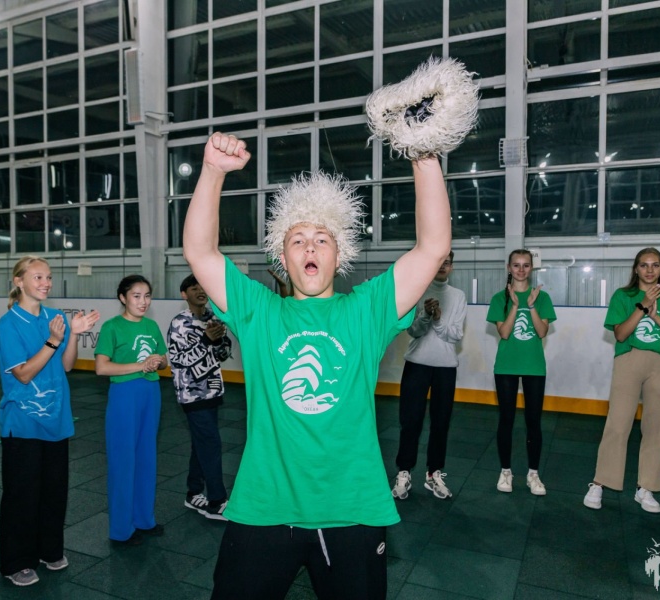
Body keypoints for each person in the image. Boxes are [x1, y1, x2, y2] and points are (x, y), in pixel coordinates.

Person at [182, 131, 451, 600]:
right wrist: (212, 172)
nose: (310, 247)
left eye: (322, 239)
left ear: (338, 255)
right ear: (282, 258)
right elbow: (201, 253)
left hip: (353, 510)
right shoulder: (259, 310)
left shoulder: (367, 310)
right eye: (298, 240)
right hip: (264, 507)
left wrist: (424, 151)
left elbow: (431, 248)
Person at [0, 256, 99, 586]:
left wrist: (73, 335)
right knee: (21, 494)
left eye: (49, 277)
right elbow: (23, 374)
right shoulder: (8, 324)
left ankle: (49, 549)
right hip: (22, 422)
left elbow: (67, 365)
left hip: (57, 418)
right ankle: (17, 562)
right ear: (19, 282)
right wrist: (54, 340)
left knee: (54, 491)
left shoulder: (56, 317)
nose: (46, 283)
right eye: (38, 277)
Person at [583, 248, 660, 513]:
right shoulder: (623, 296)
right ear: (636, 269)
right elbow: (620, 334)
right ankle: (600, 482)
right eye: (644, 265)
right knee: (618, 423)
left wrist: (656, 318)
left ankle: (646, 487)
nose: (650, 270)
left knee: (656, 428)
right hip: (629, 359)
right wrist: (643, 305)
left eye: (655, 265)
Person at [95, 275, 168, 544]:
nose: (143, 301)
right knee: (123, 460)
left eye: (147, 295)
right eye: (136, 296)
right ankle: (121, 529)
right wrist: (141, 365)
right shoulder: (111, 327)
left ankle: (144, 520)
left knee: (147, 457)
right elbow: (101, 367)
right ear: (123, 298)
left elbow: (164, 361)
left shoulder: (151, 325)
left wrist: (158, 362)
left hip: (151, 393)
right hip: (124, 395)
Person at [392, 251, 466, 501]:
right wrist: (425, 314)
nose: (443, 266)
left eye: (447, 263)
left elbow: (455, 335)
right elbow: (413, 331)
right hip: (417, 365)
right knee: (410, 421)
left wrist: (438, 319)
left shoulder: (458, 296)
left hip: (446, 367)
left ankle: (434, 474)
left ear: (451, 267)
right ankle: (404, 472)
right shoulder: (418, 291)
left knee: (441, 423)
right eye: (440, 262)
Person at [486, 249, 556, 495]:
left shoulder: (542, 297)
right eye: (516, 265)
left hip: (534, 367)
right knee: (506, 420)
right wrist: (515, 306)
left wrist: (531, 306)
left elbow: (542, 332)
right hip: (506, 366)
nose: (521, 270)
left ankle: (533, 474)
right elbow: (504, 333)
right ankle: (506, 471)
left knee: (533, 421)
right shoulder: (499, 298)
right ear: (509, 268)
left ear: (531, 268)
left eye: (526, 265)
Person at [168, 274, 233, 520]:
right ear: (184, 294)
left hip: (212, 391)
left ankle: (193, 492)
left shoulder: (213, 318)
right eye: (193, 288)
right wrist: (206, 340)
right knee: (211, 444)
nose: (200, 291)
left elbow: (223, 355)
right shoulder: (179, 323)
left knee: (202, 443)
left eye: (202, 287)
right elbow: (179, 360)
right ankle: (216, 501)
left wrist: (221, 340)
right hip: (192, 394)